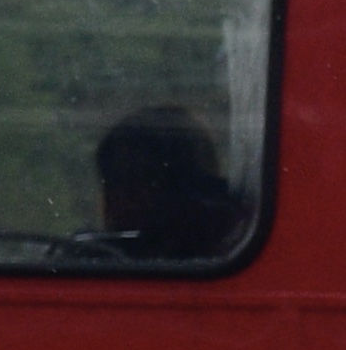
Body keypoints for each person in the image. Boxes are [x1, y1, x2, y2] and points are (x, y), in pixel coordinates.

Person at [91, 103, 250, 262]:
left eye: (143, 179)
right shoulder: (106, 254)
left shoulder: (227, 246)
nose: (119, 200)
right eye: (114, 182)